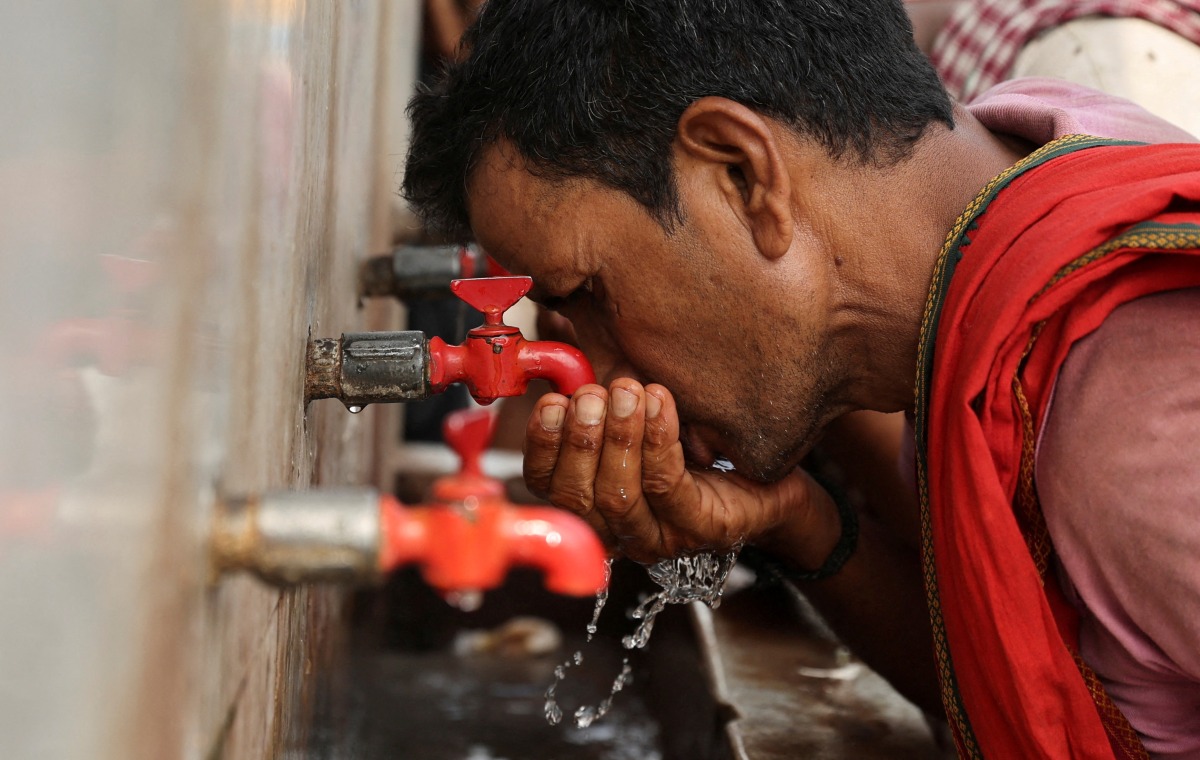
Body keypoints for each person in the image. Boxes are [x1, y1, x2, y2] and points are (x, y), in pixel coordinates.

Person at [401, 1, 1200, 757]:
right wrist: (795, 521)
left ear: (743, 173)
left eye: (590, 295)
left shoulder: (1134, 431)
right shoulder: (1009, 198)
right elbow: (1030, 687)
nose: (599, 373)